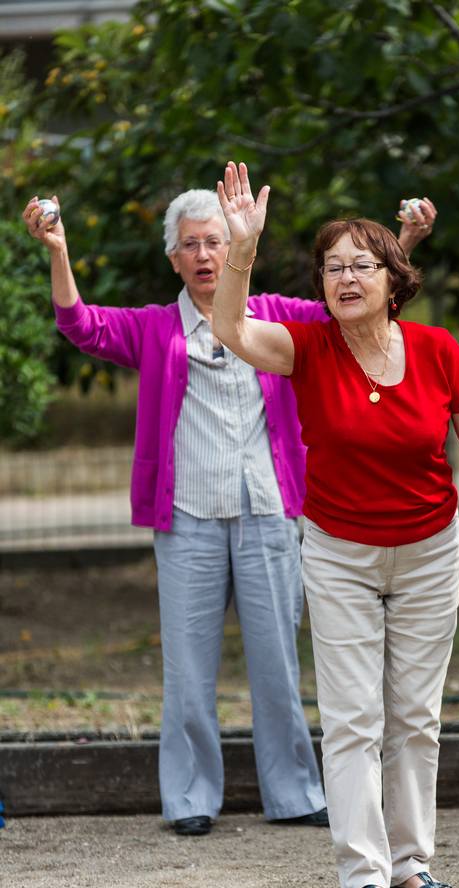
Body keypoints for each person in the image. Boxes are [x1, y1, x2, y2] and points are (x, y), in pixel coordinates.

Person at [22, 183, 436, 839]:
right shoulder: (155, 327)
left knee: (278, 665)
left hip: (268, 514)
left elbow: (350, 312)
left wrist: (403, 243)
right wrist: (58, 250)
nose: (204, 254)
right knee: (187, 672)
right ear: (174, 259)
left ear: (234, 245)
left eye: (214, 241)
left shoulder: (275, 316)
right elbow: (81, 324)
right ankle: (189, 796)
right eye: (190, 245)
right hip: (187, 519)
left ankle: (293, 791)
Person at [212, 161, 459, 888]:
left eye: (360, 265)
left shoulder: (438, 349)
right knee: (353, 718)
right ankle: (363, 875)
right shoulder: (306, 348)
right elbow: (229, 329)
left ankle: (412, 863)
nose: (345, 278)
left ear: (393, 280)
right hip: (338, 552)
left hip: (428, 551)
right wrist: (241, 248)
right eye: (332, 267)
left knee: (415, 716)